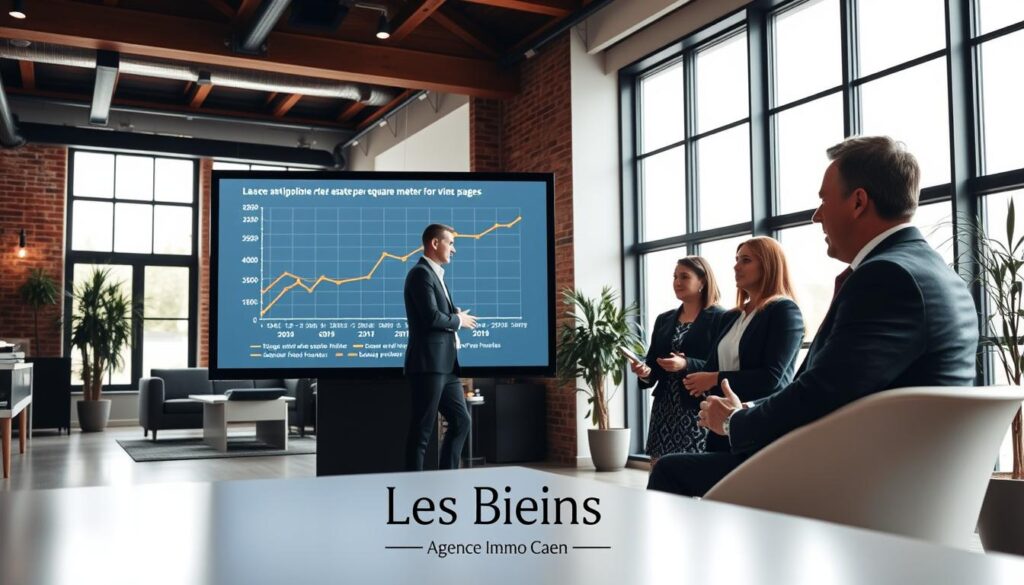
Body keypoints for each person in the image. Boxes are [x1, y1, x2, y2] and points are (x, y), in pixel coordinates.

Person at [647, 136, 979, 497]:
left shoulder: (886, 277)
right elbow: (839, 388)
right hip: (901, 474)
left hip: (862, 485)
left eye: (823, 200)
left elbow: (823, 393)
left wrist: (734, 420)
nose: (816, 215)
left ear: (858, 202)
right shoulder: (930, 270)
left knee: (671, 471)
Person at [681, 237, 805, 453]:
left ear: (768, 265)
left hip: (758, 425)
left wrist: (714, 378)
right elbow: (711, 366)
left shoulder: (783, 310)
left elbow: (772, 378)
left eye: (745, 260)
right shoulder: (730, 317)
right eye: (736, 259)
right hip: (720, 426)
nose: (736, 266)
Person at [631, 256, 726, 462]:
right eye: (675, 276)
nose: (677, 282)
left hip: (698, 408)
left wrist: (686, 364)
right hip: (665, 408)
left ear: (702, 281)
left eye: (684, 276)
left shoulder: (721, 318)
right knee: (659, 474)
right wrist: (645, 372)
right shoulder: (664, 319)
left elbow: (722, 365)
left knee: (693, 475)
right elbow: (653, 362)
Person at [403, 223, 477, 471]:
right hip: (428, 365)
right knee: (422, 431)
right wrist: (458, 320)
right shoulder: (420, 274)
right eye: (451, 243)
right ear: (435, 243)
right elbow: (430, 318)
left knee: (461, 421)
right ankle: (412, 487)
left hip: (446, 366)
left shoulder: (435, 275)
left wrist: (452, 313)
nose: (454, 250)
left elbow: (436, 313)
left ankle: (447, 478)